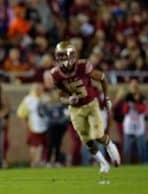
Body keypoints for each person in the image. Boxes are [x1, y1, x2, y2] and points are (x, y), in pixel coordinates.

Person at [43, 41, 120, 175]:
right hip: (75, 109)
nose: (62, 59)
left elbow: (102, 78)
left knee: (98, 136)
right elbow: (61, 96)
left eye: (64, 56)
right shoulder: (56, 74)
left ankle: (110, 145)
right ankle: (103, 164)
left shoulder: (83, 66)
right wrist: (68, 99)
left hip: (91, 104)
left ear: (73, 56)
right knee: (87, 140)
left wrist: (107, 98)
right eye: (59, 56)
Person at [17, 82, 49, 167]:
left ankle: (43, 162)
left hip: (46, 126)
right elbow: (21, 114)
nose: (38, 90)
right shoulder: (28, 99)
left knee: (45, 145)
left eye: (40, 88)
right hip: (34, 127)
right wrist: (26, 126)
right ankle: (34, 163)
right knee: (34, 146)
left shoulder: (46, 98)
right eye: (36, 88)